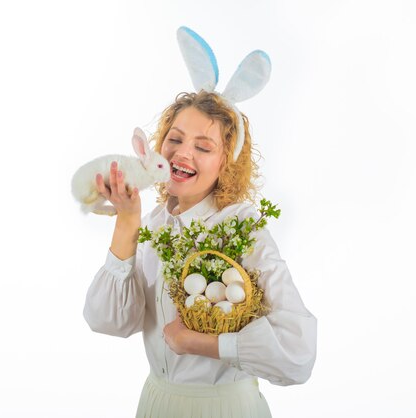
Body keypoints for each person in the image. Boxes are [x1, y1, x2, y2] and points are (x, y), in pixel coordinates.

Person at [83, 90, 317, 417]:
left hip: (225, 409)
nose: (182, 154)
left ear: (227, 163)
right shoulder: (153, 226)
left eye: (203, 147)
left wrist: (198, 343)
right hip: (157, 404)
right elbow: (109, 321)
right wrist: (127, 222)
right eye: (174, 140)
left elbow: (298, 355)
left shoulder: (242, 230)